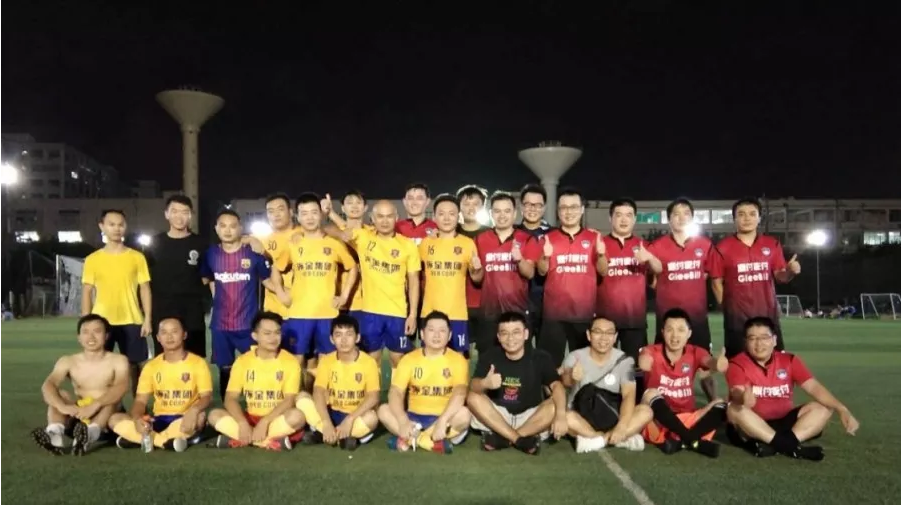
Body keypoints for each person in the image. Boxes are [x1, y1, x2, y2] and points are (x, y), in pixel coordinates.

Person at [726, 316, 859, 460]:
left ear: (774, 340)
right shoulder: (736, 364)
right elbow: (736, 392)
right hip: (753, 424)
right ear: (746, 342)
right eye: (752, 338)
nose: (759, 344)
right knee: (733, 409)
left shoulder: (789, 360)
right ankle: (793, 447)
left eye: (764, 338)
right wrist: (743, 398)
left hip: (785, 421)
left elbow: (813, 387)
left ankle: (775, 444)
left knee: (824, 408)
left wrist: (842, 409)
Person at [201, 210, 289, 400]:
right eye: (223, 226)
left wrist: (289, 293)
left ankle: (260, 406)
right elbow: (208, 279)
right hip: (221, 325)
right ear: (216, 229)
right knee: (225, 368)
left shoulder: (253, 254)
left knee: (257, 365)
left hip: (248, 324)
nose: (228, 230)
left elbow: (268, 281)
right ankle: (228, 408)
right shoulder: (210, 254)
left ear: (240, 228)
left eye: (233, 226)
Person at [325, 200, 421, 367]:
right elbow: (328, 228)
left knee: (399, 360)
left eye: (389, 216)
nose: (385, 221)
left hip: (397, 312)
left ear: (396, 218)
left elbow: (413, 282)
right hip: (370, 312)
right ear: (373, 219)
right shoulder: (363, 237)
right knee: (370, 360)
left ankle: (397, 386)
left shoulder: (407, 245)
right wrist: (341, 233)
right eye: (380, 216)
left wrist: (412, 315)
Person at [467, 311, 569, 455]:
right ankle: (519, 440)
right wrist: (485, 383)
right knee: (472, 397)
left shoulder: (541, 357)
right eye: (504, 333)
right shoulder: (489, 356)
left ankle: (504, 438)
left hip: (531, 418)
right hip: (498, 417)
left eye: (516, 332)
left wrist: (561, 415)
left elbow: (557, 386)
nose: (510, 338)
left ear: (526, 334)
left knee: (554, 405)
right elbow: (473, 386)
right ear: (498, 337)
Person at [647, 198, 718, 400]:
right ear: (669, 219)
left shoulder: (704, 245)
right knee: (662, 362)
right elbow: (652, 281)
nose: (681, 217)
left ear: (692, 218)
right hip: (667, 319)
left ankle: (714, 402)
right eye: (676, 214)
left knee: (704, 363)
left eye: (686, 213)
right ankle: (660, 401)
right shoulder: (657, 246)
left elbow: (710, 274)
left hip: (697, 318)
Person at [274, 193, 358, 365]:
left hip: (327, 313)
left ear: (320, 214)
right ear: (297, 217)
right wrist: (281, 293)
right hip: (298, 313)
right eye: (304, 213)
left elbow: (352, 267)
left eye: (314, 212)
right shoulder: (293, 243)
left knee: (327, 361)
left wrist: (344, 296)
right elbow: (276, 268)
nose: (309, 218)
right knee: (296, 361)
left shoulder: (334, 244)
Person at [711, 198, 800, 358]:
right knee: (738, 364)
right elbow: (716, 282)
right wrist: (728, 309)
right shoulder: (722, 247)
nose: (747, 218)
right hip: (737, 320)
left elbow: (781, 277)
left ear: (759, 218)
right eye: (741, 214)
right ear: (734, 219)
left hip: (768, 317)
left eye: (752, 214)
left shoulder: (772, 244)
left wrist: (791, 271)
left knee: (773, 363)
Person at [109, 316, 212, 452]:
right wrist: (137, 419)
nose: (169, 337)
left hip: (184, 417)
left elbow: (206, 397)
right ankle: (165, 442)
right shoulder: (151, 367)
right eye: (164, 332)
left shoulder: (198, 363)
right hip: (158, 419)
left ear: (184, 335)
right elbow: (140, 401)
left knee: (200, 417)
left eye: (174, 331)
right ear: (158, 338)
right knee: (114, 419)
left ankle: (141, 439)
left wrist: (194, 411)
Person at [31, 314, 130, 456]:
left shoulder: (118, 360)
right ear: (79, 337)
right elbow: (48, 385)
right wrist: (62, 406)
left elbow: (122, 387)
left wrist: (95, 405)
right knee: (61, 394)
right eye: (86, 332)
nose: (91, 337)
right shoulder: (68, 361)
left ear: (106, 336)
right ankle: (55, 435)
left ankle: (89, 434)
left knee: (111, 399)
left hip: (107, 418)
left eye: (97, 331)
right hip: (80, 416)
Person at [208, 312, 306, 451]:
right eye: (267, 333)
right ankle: (267, 441)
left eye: (277, 333)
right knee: (214, 415)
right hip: (251, 418)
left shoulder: (291, 362)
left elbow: (289, 400)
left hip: (277, 418)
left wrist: (265, 422)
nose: (273, 338)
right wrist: (242, 423)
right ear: (255, 336)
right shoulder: (242, 361)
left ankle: (242, 439)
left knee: (297, 417)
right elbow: (230, 398)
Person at [377, 311, 472, 453]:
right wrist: (403, 420)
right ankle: (430, 442)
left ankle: (409, 439)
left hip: (443, 416)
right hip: (413, 418)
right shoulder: (409, 359)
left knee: (464, 414)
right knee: (383, 410)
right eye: (431, 330)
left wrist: (442, 421)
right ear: (422, 334)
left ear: (449, 336)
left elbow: (460, 393)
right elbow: (396, 392)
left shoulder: (458, 361)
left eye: (442, 331)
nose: (437, 335)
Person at [638, 308, 727, 457]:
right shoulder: (651, 351)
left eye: (680, 330)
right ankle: (692, 440)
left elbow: (708, 361)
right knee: (650, 394)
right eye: (670, 330)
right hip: (658, 420)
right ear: (662, 332)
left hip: (687, 418)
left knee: (720, 403)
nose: (675, 335)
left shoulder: (695, 352)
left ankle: (682, 440)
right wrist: (643, 362)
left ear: (689, 333)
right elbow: (644, 359)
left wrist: (716, 363)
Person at [81, 209, 152, 392]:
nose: (116, 228)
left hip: (132, 320)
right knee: (103, 367)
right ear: (102, 226)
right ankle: (109, 405)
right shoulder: (93, 259)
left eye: (120, 224)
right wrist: (86, 323)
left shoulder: (137, 257)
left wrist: (147, 319)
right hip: (102, 322)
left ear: (125, 227)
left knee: (136, 366)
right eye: (111, 224)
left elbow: (145, 288)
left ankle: (139, 403)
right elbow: (87, 291)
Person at [536, 188, 607, 366]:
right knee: (550, 366)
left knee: (584, 367)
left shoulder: (594, 237)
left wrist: (600, 254)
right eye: (564, 208)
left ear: (582, 209)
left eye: (574, 207)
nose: (569, 212)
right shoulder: (548, 238)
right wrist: (545, 256)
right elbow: (542, 272)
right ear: (558, 211)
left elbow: (603, 271)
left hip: (583, 315)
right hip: (554, 315)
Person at [561, 316, 652, 453]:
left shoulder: (627, 361)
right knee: (565, 417)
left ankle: (598, 440)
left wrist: (621, 426)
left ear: (615, 337)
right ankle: (619, 439)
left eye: (609, 333)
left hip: (613, 415)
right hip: (582, 417)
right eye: (598, 332)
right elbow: (564, 381)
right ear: (589, 335)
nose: (603, 338)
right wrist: (572, 378)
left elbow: (629, 395)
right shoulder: (575, 356)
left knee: (646, 411)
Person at [295, 314, 380, 450]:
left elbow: (373, 397)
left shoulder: (369, 362)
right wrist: (326, 421)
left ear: (357, 338)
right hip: (332, 412)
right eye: (338, 335)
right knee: (301, 398)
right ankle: (343, 436)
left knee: (372, 419)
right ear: (332, 339)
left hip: (356, 414)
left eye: (349, 334)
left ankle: (324, 434)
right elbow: (318, 391)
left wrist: (350, 419)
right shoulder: (327, 361)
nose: (344, 340)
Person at [473, 192, 541, 354]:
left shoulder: (527, 239)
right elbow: (477, 279)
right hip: (489, 312)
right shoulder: (480, 239)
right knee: (488, 357)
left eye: (507, 211)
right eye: (497, 211)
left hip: (517, 311)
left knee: (519, 358)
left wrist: (519, 260)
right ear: (491, 213)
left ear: (515, 213)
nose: (502, 215)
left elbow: (530, 273)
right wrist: (476, 270)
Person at [596, 198, 662, 364]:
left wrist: (649, 257)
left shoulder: (643, 245)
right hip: (605, 321)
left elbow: (659, 268)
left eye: (629, 215)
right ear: (610, 218)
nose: (624, 220)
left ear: (634, 219)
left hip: (635, 320)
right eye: (619, 215)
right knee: (604, 367)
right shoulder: (600, 245)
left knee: (634, 368)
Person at [144, 195, 210, 358]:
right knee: (164, 358)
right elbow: (145, 281)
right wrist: (147, 315)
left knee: (194, 358)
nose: (179, 217)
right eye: (174, 211)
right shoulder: (154, 244)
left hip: (192, 312)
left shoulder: (201, 244)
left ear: (190, 215)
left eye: (184, 212)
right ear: (166, 214)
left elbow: (207, 276)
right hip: (162, 310)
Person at [419, 195, 482, 356]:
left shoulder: (467, 243)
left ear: (458, 216)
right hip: (430, 313)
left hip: (457, 313)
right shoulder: (425, 244)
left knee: (460, 359)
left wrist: (477, 269)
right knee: (431, 358)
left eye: (451, 214)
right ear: (434, 217)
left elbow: (477, 278)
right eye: (441, 214)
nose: (446, 218)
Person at [322, 190, 369, 320]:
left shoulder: (372, 233)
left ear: (365, 207)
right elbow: (322, 229)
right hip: (338, 301)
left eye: (358, 202)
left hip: (366, 303)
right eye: (349, 203)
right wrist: (330, 215)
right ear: (343, 208)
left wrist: (332, 214)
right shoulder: (333, 233)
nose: (354, 206)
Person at [455, 185, 490, 356]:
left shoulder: (491, 234)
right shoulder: (450, 232)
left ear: (483, 207)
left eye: (476, 204)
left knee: (487, 353)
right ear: (459, 207)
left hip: (485, 304)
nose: (471, 208)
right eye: (466, 204)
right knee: (460, 353)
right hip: (458, 304)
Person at [518, 184, 552, 343]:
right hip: (519, 304)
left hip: (548, 306)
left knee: (546, 353)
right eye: (528, 204)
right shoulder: (512, 233)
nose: (533, 209)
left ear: (544, 208)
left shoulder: (554, 234)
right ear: (521, 206)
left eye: (538, 205)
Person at [261, 193, 301, 318]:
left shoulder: (305, 234)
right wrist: (282, 292)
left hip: (303, 307)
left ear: (291, 212)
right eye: (271, 211)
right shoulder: (261, 241)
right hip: (273, 311)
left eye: (280, 209)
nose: (276, 214)